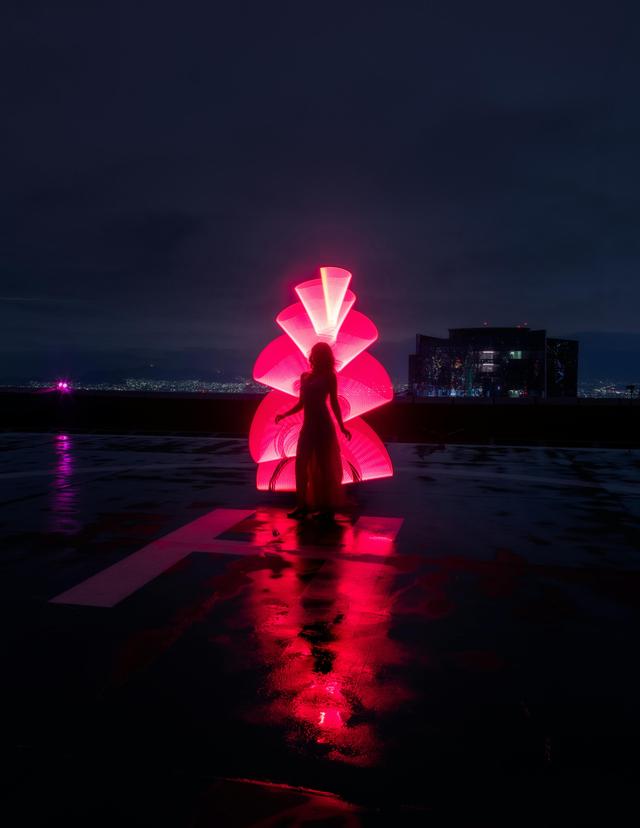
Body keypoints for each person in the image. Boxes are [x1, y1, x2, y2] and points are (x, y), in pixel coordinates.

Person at [275, 342, 351, 520]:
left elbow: (334, 403)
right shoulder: (305, 377)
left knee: (324, 467)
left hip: (323, 426)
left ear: (324, 357)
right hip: (308, 426)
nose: (315, 356)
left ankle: (325, 506)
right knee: (300, 465)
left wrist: (341, 426)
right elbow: (301, 403)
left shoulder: (330, 377)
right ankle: (301, 504)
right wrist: (285, 414)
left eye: (319, 353)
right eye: (314, 353)